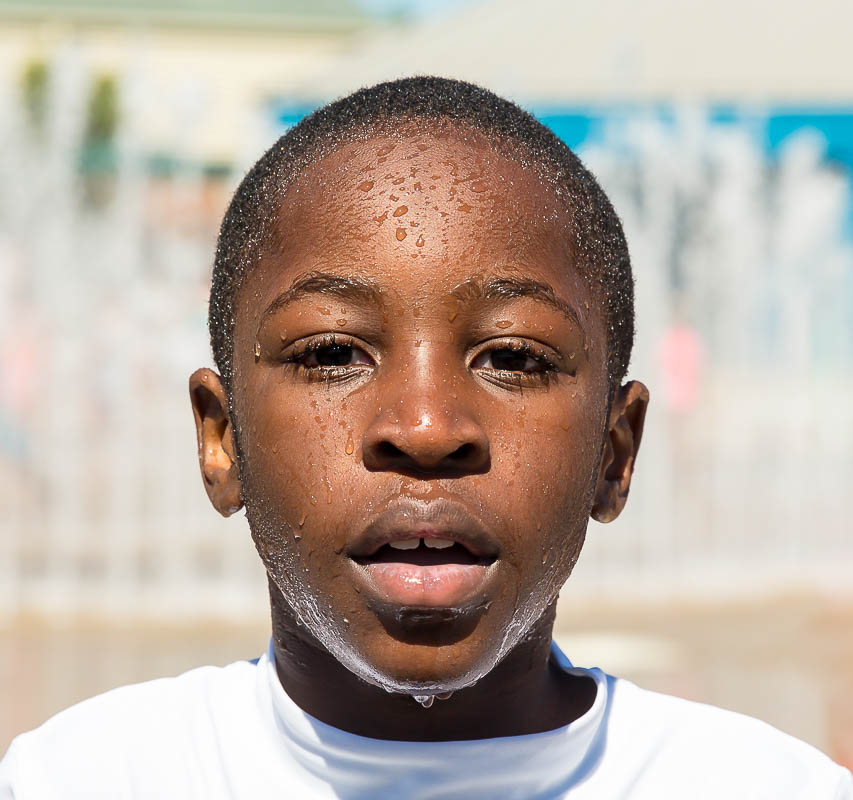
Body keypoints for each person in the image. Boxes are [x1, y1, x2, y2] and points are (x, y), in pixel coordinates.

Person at [1, 76, 850, 799]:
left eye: (513, 357)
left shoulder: (760, 786)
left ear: (613, 453)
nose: (425, 429)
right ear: (221, 441)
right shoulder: (85, 777)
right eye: (331, 353)